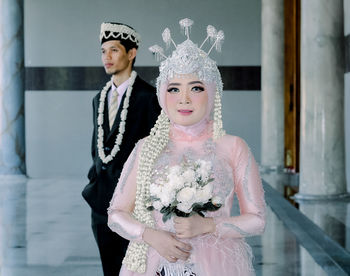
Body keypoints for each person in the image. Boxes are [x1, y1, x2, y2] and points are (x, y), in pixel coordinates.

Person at [107, 18, 266, 276]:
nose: (184, 99)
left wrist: (208, 227)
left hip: (217, 264)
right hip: (155, 261)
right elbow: (116, 215)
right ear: (161, 95)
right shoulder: (147, 148)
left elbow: (257, 220)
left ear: (212, 93)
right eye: (174, 89)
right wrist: (150, 236)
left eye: (196, 88)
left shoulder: (233, 147)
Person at [82, 22, 161, 276]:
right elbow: (97, 148)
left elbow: (157, 150)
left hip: (134, 206)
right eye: (103, 51)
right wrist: (94, 180)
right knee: (110, 269)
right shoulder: (99, 98)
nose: (107, 57)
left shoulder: (150, 97)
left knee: (136, 269)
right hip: (101, 206)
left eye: (114, 50)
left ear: (131, 53)